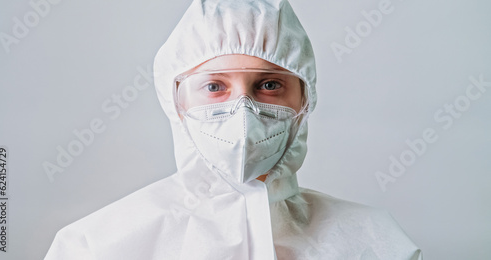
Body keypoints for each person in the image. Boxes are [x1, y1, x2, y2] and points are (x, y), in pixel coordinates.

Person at [45, 0, 422, 259]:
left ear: (304, 100)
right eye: (214, 86)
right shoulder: (96, 247)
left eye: (270, 85)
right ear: (175, 102)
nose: (243, 111)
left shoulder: (376, 244)